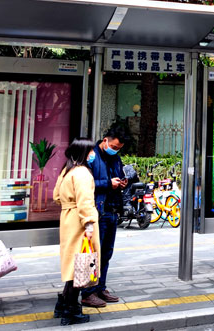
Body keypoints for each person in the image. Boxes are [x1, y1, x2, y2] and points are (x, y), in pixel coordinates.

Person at [52, 138, 100, 325]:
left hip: (68, 219)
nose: (93, 154)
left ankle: (63, 304)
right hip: (80, 222)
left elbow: (56, 196)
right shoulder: (82, 173)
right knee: (81, 265)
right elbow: (85, 201)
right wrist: (89, 224)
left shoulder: (67, 170)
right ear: (84, 152)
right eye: (91, 151)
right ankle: (71, 310)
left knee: (72, 265)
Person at [81, 126, 128, 307]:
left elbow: (119, 174)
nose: (115, 150)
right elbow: (85, 182)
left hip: (112, 209)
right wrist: (108, 183)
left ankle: (100, 287)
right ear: (105, 140)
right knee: (91, 253)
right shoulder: (91, 155)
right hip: (96, 212)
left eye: (119, 148)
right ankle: (88, 292)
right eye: (114, 146)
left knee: (106, 253)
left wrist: (122, 182)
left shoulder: (115, 157)